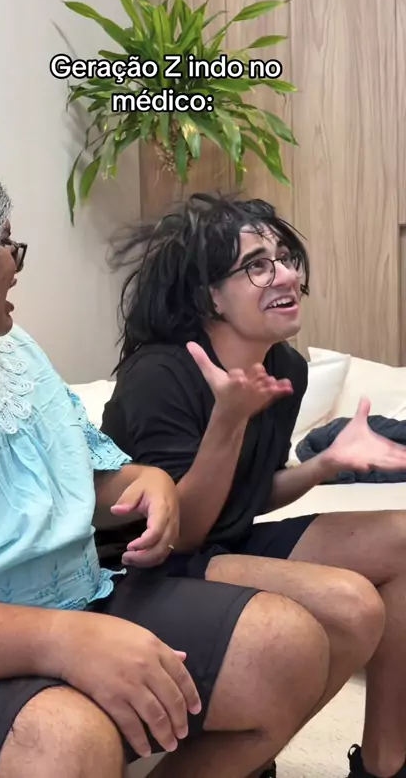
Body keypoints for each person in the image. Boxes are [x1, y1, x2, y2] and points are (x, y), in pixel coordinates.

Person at [0, 132, 350, 778]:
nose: (16, 263)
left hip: (86, 594)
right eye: (4, 244)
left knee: (286, 647)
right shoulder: (162, 374)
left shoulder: (15, 349)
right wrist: (62, 641)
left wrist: (144, 481)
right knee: (71, 739)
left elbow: (79, 476)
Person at [101, 192, 406, 778]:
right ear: (209, 295)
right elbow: (182, 534)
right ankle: (246, 756)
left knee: (400, 538)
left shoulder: (284, 366)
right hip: (143, 567)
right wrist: (228, 420)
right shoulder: (159, 374)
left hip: (220, 546)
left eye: (285, 258)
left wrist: (325, 464)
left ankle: (384, 764)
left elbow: (250, 496)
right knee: (351, 605)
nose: (285, 275)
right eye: (257, 266)